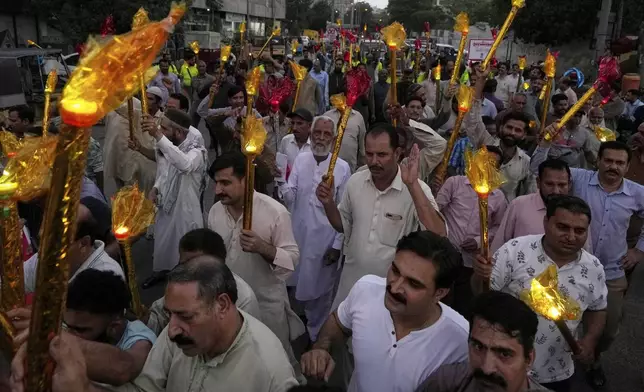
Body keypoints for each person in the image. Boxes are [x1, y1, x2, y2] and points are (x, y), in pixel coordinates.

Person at [10, 260, 300, 392]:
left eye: (186, 316)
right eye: (171, 314)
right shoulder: (177, 336)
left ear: (222, 305)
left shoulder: (271, 373)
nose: (172, 329)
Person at [532, 140, 644, 388]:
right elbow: (540, 170)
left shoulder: (637, 193)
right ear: (598, 161)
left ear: (627, 166)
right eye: (609, 160)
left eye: (620, 163)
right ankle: (554, 367)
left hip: (611, 273)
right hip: (569, 267)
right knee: (555, 322)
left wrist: (639, 251)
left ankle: (593, 360)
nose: (613, 166)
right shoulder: (579, 178)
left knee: (608, 330)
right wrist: (545, 142)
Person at [301, 231, 468, 392]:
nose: (394, 288)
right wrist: (322, 347)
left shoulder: (460, 340)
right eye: (395, 271)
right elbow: (338, 322)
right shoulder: (366, 290)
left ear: (439, 293)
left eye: (413, 284)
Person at [472, 195, 608, 392]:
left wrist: (590, 340)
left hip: (556, 371)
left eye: (579, 231)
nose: (571, 237)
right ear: (546, 222)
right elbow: (482, 296)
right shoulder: (515, 250)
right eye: (562, 227)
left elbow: (598, 308)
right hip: (501, 367)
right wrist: (479, 276)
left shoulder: (594, 268)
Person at [316, 125, 446, 310]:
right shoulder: (356, 182)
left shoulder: (417, 189)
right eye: (369, 154)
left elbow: (439, 234)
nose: (374, 161)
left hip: (391, 294)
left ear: (398, 153)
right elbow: (342, 226)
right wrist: (328, 203)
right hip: (350, 286)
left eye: (382, 155)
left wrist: (412, 186)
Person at [208, 151, 305, 375]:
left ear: (246, 179)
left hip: (266, 306)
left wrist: (263, 248)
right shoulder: (215, 211)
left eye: (225, 183)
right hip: (229, 306)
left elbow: (291, 259)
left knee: (274, 364)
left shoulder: (275, 212)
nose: (218, 190)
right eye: (216, 183)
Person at [279, 115, 351, 340]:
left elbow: (346, 212)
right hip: (298, 235)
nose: (321, 138)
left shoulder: (342, 167)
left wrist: (337, 245)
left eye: (326, 134)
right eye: (317, 133)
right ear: (311, 135)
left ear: (333, 138)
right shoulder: (301, 159)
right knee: (297, 281)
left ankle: (316, 335)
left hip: (325, 240)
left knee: (321, 290)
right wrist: (280, 179)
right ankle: (298, 324)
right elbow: (291, 196)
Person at [415, 291, 550, 392]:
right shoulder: (447, 383)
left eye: (504, 354)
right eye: (478, 347)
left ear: (528, 359)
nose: (487, 368)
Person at [435, 146, 508, 317]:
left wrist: (477, 241)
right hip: (444, 255)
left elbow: (498, 228)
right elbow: (436, 210)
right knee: (439, 301)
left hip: (471, 263)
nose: (485, 167)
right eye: (482, 161)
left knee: (462, 307)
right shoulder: (455, 183)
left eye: (491, 164)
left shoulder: (498, 197)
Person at [146, 228, 262, 335]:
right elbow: (160, 319)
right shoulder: (181, 286)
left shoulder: (244, 300)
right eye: (183, 265)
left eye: (197, 266)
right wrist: (146, 319)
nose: (188, 271)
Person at [142, 109, 208, 289]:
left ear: (178, 132)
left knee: (184, 250)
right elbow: (165, 173)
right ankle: (161, 273)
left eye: (164, 129)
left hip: (185, 212)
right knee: (162, 245)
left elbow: (184, 165)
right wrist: (155, 188)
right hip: (166, 207)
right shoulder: (172, 148)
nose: (161, 131)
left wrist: (157, 135)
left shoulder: (197, 152)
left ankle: (185, 285)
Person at [62, 269, 156, 385]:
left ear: (114, 327)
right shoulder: (79, 324)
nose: (70, 334)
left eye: (80, 330)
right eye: (68, 326)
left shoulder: (141, 341)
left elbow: (122, 369)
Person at [465, 68, 534, 201]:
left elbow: (528, 195)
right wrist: (480, 82)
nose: (512, 133)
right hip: (474, 208)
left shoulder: (525, 162)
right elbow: (472, 120)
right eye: (509, 127)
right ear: (501, 127)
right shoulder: (485, 144)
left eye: (518, 130)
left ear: (524, 135)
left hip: (503, 217)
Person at [23, 204, 124, 293]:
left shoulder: (107, 277)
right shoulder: (44, 259)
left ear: (84, 244)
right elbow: (14, 283)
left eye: (54, 245)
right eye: (41, 241)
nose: (41, 252)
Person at [492, 159, 575, 254]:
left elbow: (584, 254)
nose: (556, 190)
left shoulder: (577, 212)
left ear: (569, 185)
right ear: (538, 182)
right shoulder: (519, 205)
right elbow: (498, 246)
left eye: (561, 185)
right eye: (549, 184)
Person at [104, 98, 156, 194]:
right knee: (119, 186)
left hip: (130, 151)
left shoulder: (137, 104)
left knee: (131, 187)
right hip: (114, 149)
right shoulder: (109, 106)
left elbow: (138, 125)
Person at [323, 96, 366, 173]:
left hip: (351, 169)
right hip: (328, 168)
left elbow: (362, 146)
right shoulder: (327, 116)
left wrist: (361, 168)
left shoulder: (358, 117)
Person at [190, 60, 215, 126]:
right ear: (197, 68)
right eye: (200, 66)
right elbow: (194, 90)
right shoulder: (193, 79)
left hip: (207, 104)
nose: (201, 68)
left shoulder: (212, 79)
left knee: (210, 125)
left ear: (206, 67)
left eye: (203, 66)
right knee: (193, 123)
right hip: (196, 103)